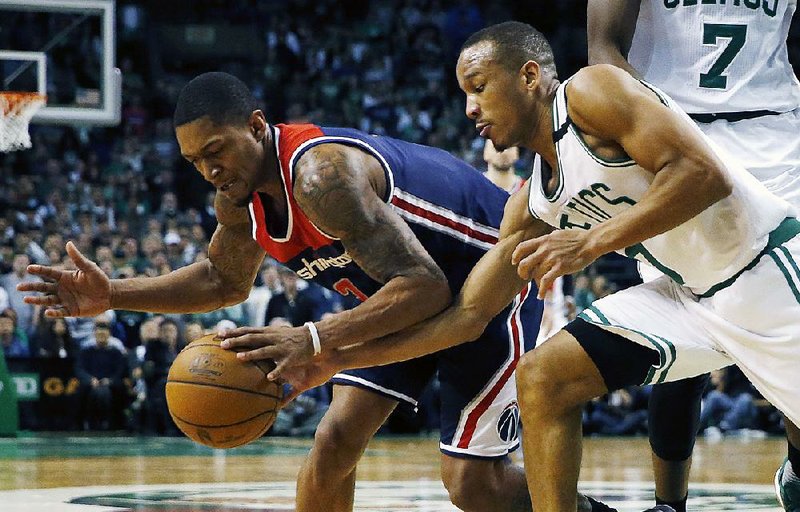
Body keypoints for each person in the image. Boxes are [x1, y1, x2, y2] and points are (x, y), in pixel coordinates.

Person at [258, 21, 799, 512]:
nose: (469, 108)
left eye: (479, 87)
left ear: (530, 75)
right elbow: (465, 318)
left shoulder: (592, 93)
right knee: (543, 376)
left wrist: (590, 242)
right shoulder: (532, 202)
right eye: (463, 94)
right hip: (687, 297)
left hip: (766, 271)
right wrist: (335, 357)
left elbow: (703, 174)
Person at [19, 71, 557, 512]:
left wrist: (316, 339)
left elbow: (426, 287)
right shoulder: (237, 197)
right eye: (194, 162)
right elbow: (221, 281)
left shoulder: (321, 177)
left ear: (256, 127)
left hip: (492, 279)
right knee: (332, 443)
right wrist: (112, 293)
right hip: (400, 297)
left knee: (473, 488)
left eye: (215, 151)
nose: (209, 170)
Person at [587, 2, 800, 509]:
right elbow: (602, 49)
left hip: (776, 136)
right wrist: (650, 129)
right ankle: (669, 503)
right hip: (673, 135)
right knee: (682, 321)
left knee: (791, 316)